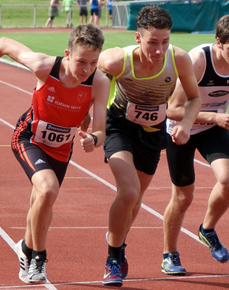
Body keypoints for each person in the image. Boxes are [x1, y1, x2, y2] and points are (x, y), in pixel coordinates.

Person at [0, 24, 109, 284]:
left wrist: (94, 139)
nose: (86, 69)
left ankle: (25, 248)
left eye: (93, 63)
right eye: (81, 61)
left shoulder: (99, 81)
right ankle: (38, 256)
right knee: (47, 189)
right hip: (29, 137)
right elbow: (3, 42)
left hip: (61, 147)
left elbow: (100, 130)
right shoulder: (44, 66)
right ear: (67, 54)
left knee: (42, 201)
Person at [97, 5, 201, 287]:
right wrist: (90, 125)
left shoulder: (178, 59)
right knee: (128, 192)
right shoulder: (117, 61)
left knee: (137, 198)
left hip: (154, 133)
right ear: (138, 38)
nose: (159, 49)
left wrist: (187, 125)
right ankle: (113, 258)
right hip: (119, 127)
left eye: (165, 41)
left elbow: (193, 98)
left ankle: (118, 241)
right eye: (153, 42)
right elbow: (92, 84)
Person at [161, 14, 229, 275]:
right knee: (183, 196)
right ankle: (170, 254)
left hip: (213, 128)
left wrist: (215, 119)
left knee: (228, 179)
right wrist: (213, 116)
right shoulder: (199, 59)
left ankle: (207, 229)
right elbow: (173, 109)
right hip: (182, 129)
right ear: (219, 42)